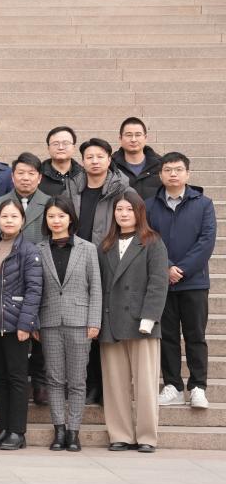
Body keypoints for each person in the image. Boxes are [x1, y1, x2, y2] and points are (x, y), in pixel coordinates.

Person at [97, 192, 168, 453]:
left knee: (146, 383)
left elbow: (158, 283)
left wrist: (149, 317)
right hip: (111, 320)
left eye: (129, 209)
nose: (124, 214)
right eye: (119, 209)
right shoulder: (105, 245)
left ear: (139, 212)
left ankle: (147, 436)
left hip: (142, 322)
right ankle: (121, 434)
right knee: (115, 384)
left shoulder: (152, 241)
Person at [147, 152, 216, 409]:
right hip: (162, 282)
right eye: (168, 170)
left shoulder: (204, 204)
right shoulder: (150, 205)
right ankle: (173, 386)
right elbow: (147, 238)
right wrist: (166, 267)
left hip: (194, 282)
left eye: (178, 169)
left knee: (195, 335)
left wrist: (182, 269)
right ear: (160, 174)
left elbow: (206, 241)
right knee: (167, 336)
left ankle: (198, 387)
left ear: (188, 174)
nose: (173, 174)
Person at [68, 137, 133, 404]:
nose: (94, 161)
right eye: (89, 157)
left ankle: (107, 386)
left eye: (100, 156)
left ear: (109, 159)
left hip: (109, 263)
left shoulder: (123, 190)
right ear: (82, 161)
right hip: (77, 263)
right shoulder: (72, 188)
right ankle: (89, 383)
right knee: (84, 325)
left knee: (105, 324)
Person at [35, 197, 101, 452]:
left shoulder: (87, 248)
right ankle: (59, 430)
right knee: (54, 379)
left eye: (61, 216)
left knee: (77, 380)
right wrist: (34, 322)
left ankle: (74, 432)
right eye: (51, 216)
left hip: (80, 322)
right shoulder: (39, 249)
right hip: (49, 321)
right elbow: (35, 289)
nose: (56, 221)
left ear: (70, 218)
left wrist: (94, 321)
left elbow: (95, 288)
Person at [0, 152, 52, 405]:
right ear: (12, 177)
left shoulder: (50, 202)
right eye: (20, 173)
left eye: (31, 173)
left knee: (39, 329)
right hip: (9, 276)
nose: (26, 178)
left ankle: (40, 382)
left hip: (41, 270)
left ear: (39, 177)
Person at [0, 200, 42, 451]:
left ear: (23, 221)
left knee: (17, 378)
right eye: (4, 216)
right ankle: (4, 429)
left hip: (16, 324)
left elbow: (34, 290)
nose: (8, 220)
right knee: (0, 378)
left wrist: (26, 324)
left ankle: (17, 432)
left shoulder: (28, 250)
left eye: (14, 216)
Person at [113, 117, 162, 201]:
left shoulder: (161, 165)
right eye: (129, 135)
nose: (133, 139)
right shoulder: (111, 166)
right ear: (120, 138)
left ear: (145, 138)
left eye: (138, 135)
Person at [40, 126, 82, 198]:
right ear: (48, 148)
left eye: (65, 143)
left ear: (74, 148)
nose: (61, 147)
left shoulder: (84, 175)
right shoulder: (37, 175)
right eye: (55, 144)